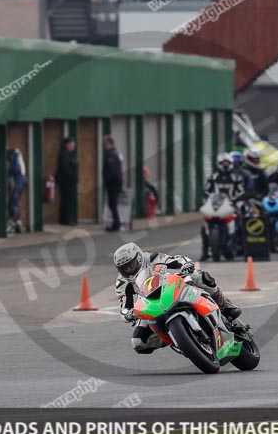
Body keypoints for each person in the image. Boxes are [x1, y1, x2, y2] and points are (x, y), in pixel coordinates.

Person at [113, 242, 242, 353]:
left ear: (139, 257)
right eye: (125, 268)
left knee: (198, 275)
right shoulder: (122, 282)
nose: (129, 269)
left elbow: (176, 259)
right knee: (138, 342)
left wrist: (186, 265)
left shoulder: (152, 258)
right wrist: (128, 314)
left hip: (169, 287)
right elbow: (125, 305)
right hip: (150, 303)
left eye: (132, 265)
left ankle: (225, 305)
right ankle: (179, 342)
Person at [200, 152, 245, 260]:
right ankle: (205, 251)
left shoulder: (235, 177)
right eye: (223, 162)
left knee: (241, 220)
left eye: (227, 162)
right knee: (204, 226)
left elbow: (242, 191)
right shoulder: (213, 177)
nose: (225, 165)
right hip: (216, 204)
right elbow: (206, 190)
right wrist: (208, 198)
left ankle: (242, 248)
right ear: (219, 163)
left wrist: (235, 199)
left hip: (231, 204)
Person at [55, 137, 78, 226]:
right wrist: (72, 176)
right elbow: (65, 168)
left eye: (73, 144)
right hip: (66, 181)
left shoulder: (71, 154)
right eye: (72, 144)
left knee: (67, 200)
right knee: (67, 200)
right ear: (67, 145)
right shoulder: (65, 154)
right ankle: (66, 220)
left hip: (70, 181)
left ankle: (64, 219)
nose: (73, 146)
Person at [103, 135, 123, 232]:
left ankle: (116, 224)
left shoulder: (110, 154)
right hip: (117, 182)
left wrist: (107, 182)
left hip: (113, 183)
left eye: (105, 143)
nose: (104, 145)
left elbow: (111, 170)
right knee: (113, 204)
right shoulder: (116, 153)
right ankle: (116, 223)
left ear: (109, 143)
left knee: (112, 204)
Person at [7, 148, 27, 233]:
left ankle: (15, 223)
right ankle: (17, 223)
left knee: (13, 203)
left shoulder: (15, 157)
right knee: (14, 203)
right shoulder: (18, 156)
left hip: (17, 183)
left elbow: (15, 169)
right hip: (19, 183)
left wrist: (8, 173)